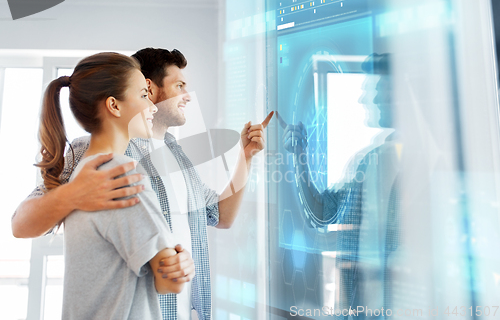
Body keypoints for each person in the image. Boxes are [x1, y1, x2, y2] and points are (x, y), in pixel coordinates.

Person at [12, 47, 272, 320]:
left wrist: (245, 157)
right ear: (149, 87)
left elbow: (221, 216)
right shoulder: (98, 156)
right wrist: (73, 194)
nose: (187, 96)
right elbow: (20, 223)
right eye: (180, 85)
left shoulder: (176, 153)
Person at [36, 52, 186, 319]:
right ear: (114, 106)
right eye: (143, 95)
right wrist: (181, 264)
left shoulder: (83, 171)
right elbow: (169, 281)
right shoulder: (121, 176)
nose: (152, 106)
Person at [280, 53, 401, 318]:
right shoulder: (369, 162)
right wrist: (300, 155)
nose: (366, 98)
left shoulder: (420, 164)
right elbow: (322, 211)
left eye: (377, 88)